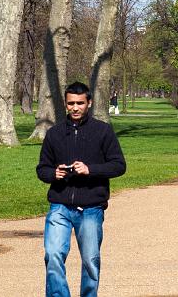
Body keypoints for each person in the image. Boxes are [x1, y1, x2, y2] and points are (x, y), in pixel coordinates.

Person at [36, 81, 127, 297]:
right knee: (53, 255)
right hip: (60, 205)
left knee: (90, 261)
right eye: (71, 104)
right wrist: (53, 174)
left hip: (91, 207)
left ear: (89, 103)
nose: (75, 108)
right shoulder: (55, 133)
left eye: (80, 103)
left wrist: (90, 169)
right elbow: (42, 168)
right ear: (65, 105)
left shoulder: (103, 131)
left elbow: (119, 165)